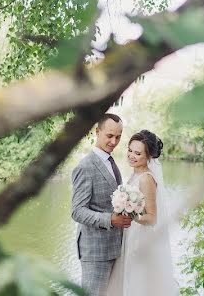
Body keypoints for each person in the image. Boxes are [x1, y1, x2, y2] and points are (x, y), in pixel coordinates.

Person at [105, 129, 179, 296]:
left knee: (137, 283)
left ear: (148, 156)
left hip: (139, 239)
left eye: (137, 153)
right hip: (129, 235)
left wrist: (131, 214)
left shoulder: (146, 178)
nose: (131, 155)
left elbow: (152, 218)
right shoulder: (135, 174)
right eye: (130, 150)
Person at [71, 113, 132, 296]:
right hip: (95, 252)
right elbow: (77, 211)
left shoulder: (111, 162)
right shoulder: (85, 167)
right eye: (110, 136)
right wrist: (111, 220)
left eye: (118, 137)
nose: (114, 141)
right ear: (97, 132)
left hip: (114, 247)